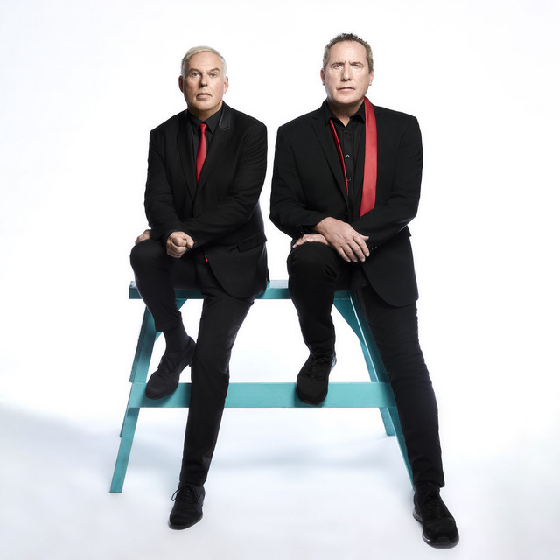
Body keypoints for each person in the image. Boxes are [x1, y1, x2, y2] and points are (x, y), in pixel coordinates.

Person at [270, 33, 458, 548]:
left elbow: (405, 202)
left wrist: (356, 234)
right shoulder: (293, 134)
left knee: (409, 370)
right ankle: (321, 352)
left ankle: (430, 492)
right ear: (323, 74)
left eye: (356, 65)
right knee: (306, 255)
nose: (346, 73)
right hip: (321, 256)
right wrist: (327, 225)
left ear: (371, 75)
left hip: (385, 257)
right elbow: (280, 206)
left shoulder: (402, 128)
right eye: (336, 65)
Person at [130, 45, 268, 529]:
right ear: (182, 83)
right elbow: (156, 197)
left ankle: (191, 483)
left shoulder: (252, 132)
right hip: (187, 252)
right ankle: (175, 340)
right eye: (194, 75)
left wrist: (183, 233)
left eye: (213, 75)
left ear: (226, 84)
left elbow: (240, 203)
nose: (204, 83)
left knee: (213, 360)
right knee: (142, 252)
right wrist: (168, 233)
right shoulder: (164, 135)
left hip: (234, 261)